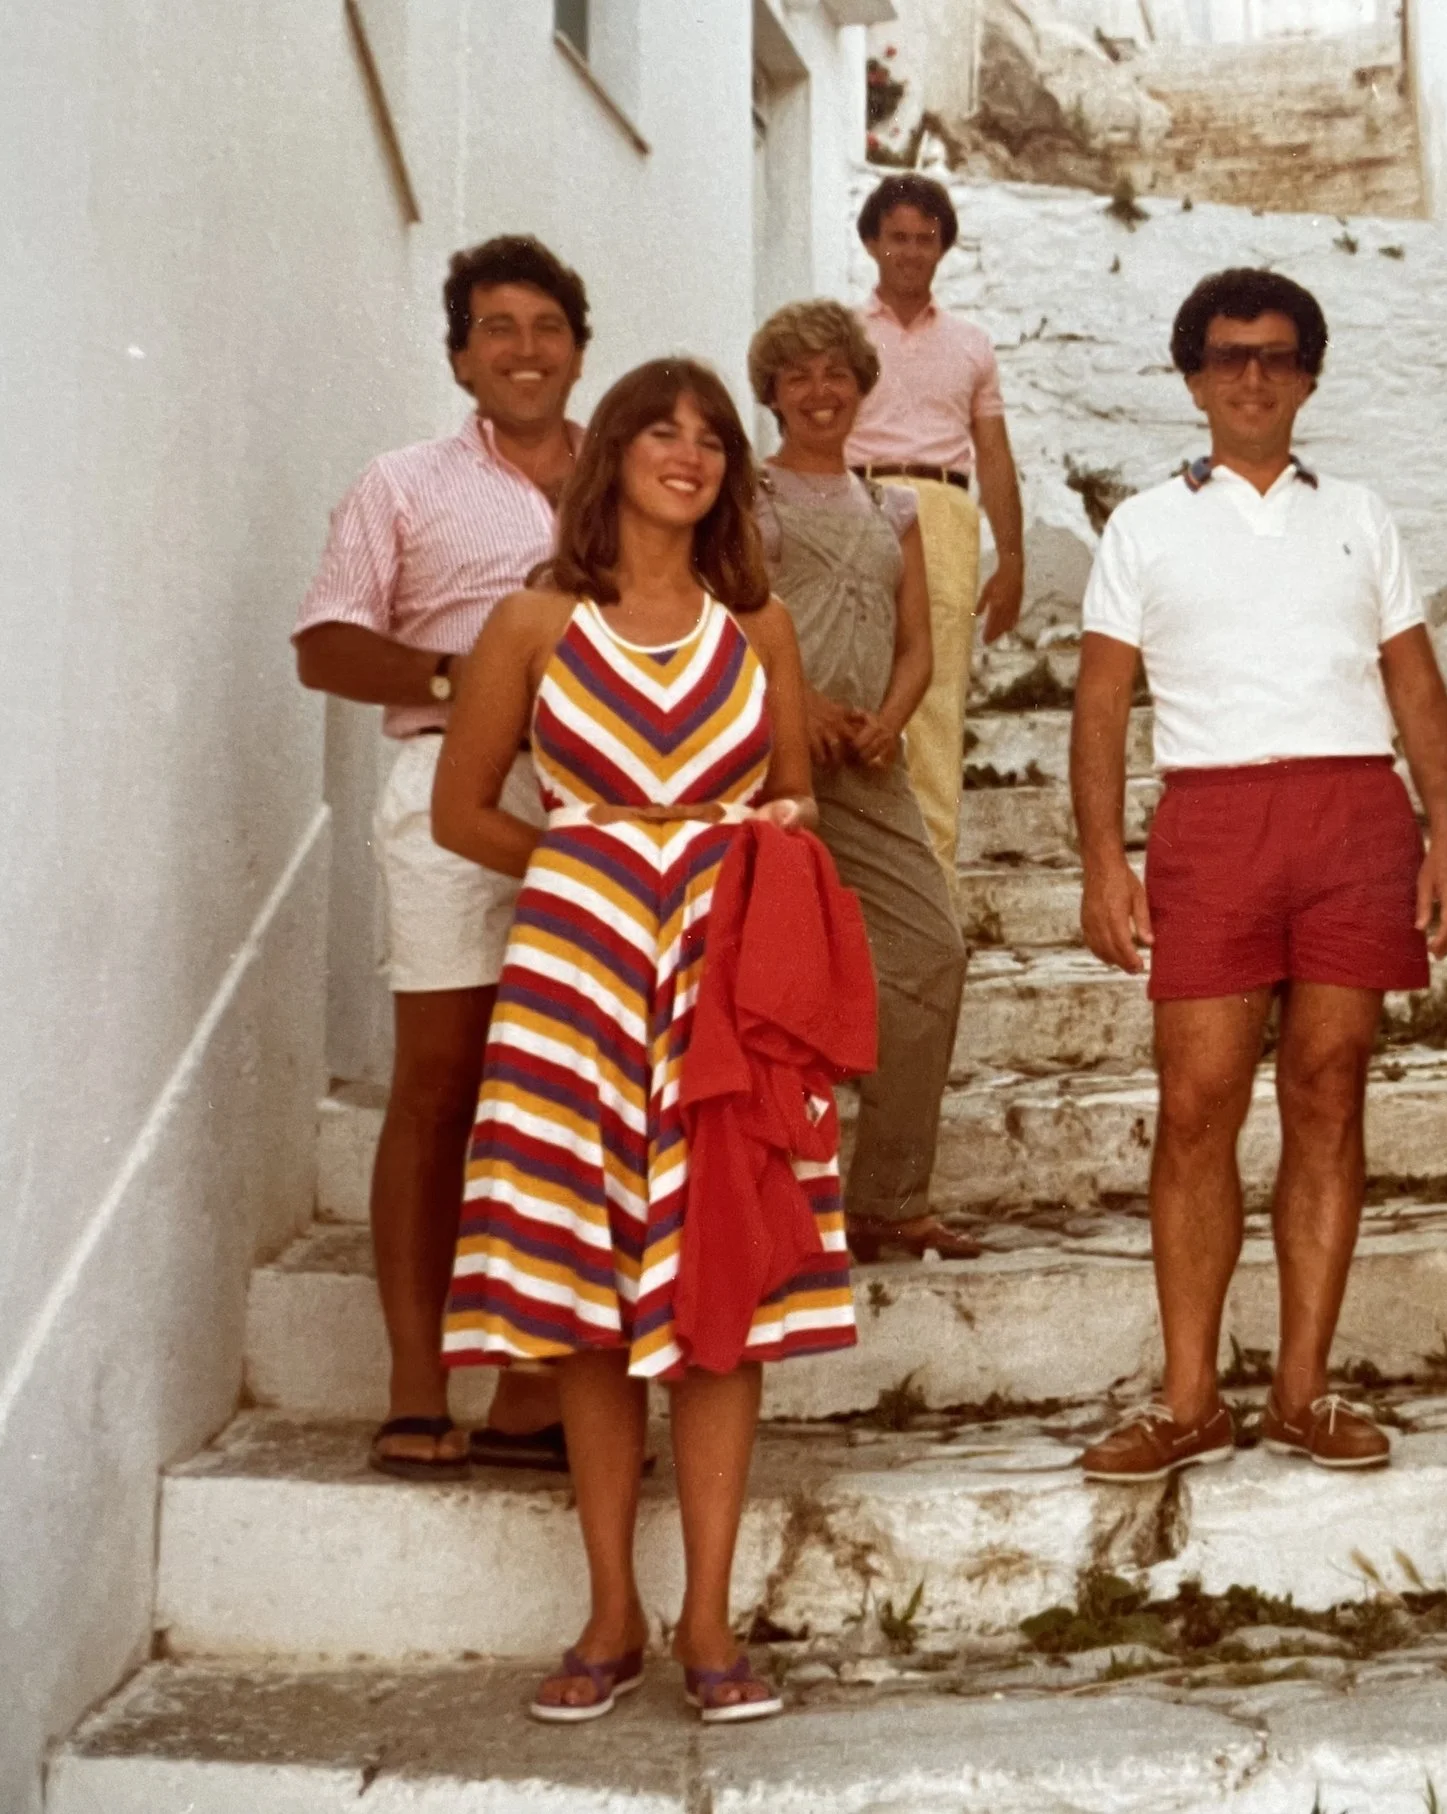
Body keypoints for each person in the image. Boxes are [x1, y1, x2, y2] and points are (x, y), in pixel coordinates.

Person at [433, 359, 863, 1725]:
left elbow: (795, 794)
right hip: (578, 985)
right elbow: (462, 811)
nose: (687, 453)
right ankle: (611, 1604)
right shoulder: (534, 624)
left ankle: (708, 1615)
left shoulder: (764, 627)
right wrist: (592, 864)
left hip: (725, 993)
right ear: (610, 451)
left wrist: (734, 859)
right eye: (660, 431)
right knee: (586, 1296)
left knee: (720, 1293)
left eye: (711, 439)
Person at [1070, 269, 1447, 1483]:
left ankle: (1302, 1389)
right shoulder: (1143, 525)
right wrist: (1103, 856)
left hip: (1354, 816)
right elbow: (1100, 705)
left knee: (1329, 1084)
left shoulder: (1359, 512)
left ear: (1307, 375)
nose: (1252, 375)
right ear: (1192, 376)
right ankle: (1190, 1397)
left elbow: (1413, 682)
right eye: (1227, 355)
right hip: (1212, 816)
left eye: (1277, 355)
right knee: (1196, 1102)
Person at [291, 235, 590, 1480]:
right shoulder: (401, 483)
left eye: (545, 325)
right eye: (495, 327)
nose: (523, 348)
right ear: (460, 352)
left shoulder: (629, 475)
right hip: (450, 793)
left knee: (573, 1090)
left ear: (579, 342)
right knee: (441, 1082)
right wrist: (462, 674)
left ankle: (531, 1382)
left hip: (602, 799)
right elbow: (324, 646)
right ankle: (419, 1379)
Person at [747, 300, 980, 1263]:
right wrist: (796, 707)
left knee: (932, 951)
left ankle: (889, 1194)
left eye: (835, 373)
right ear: (771, 392)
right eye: (797, 375)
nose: (819, 391)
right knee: (765, 987)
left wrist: (888, 716)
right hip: (767, 770)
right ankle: (760, 1206)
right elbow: (730, 621)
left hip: (869, 768)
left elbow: (920, 644)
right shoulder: (745, 501)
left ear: (860, 385)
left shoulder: (895, 508)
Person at [845, 173, 1026, 894]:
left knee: (937, 693)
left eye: (926, 239)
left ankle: (936, 890)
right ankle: (860, 884)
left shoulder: (972, 344)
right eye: (898, 238)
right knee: (856, 676)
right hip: (858, 499)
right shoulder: (842, 335)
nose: (912, 253)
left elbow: (994, 454)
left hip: (945, 510)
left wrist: (1011, 559)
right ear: (872, 243)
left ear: (943, 248)